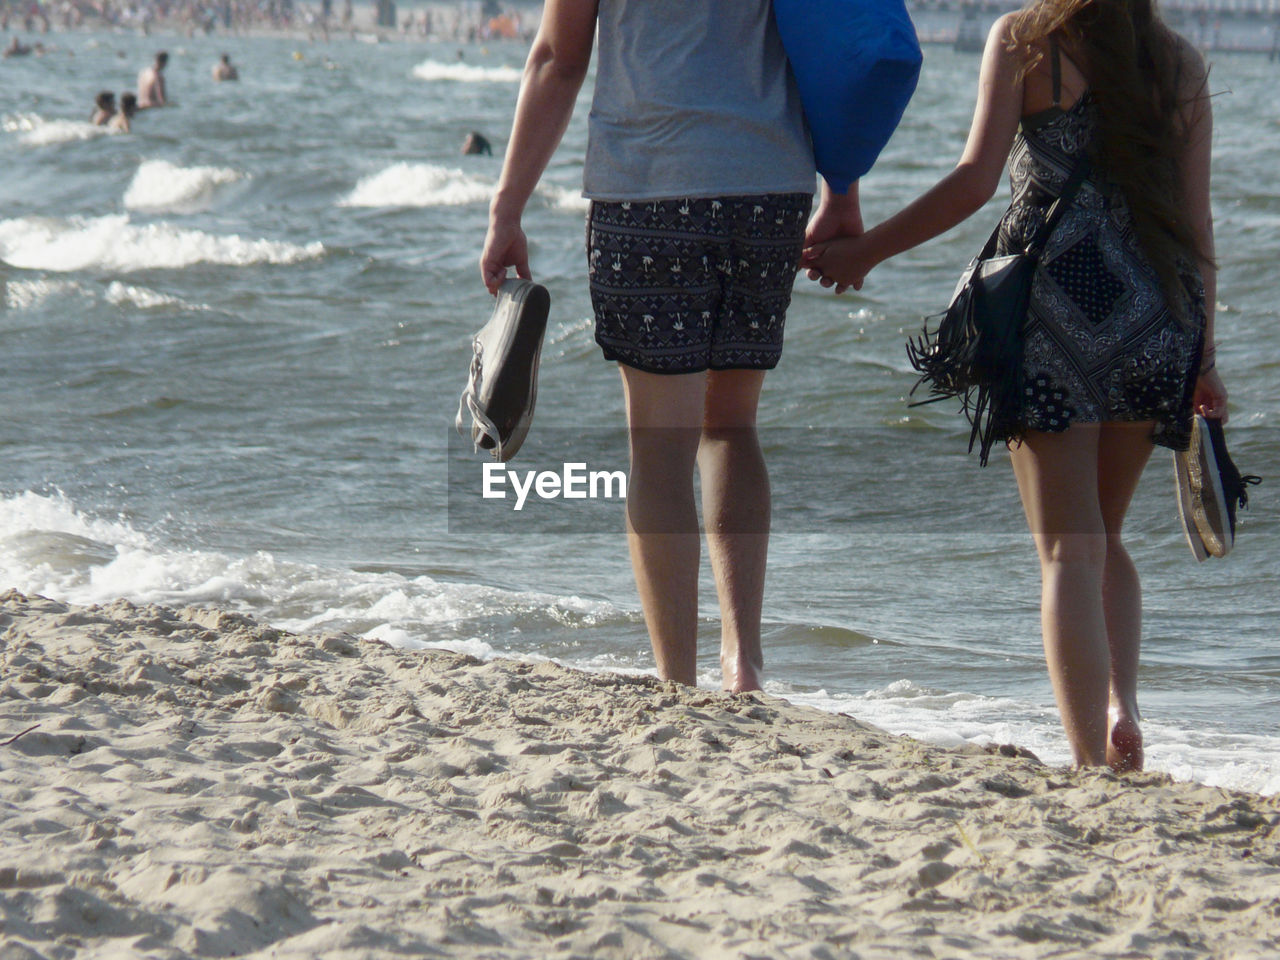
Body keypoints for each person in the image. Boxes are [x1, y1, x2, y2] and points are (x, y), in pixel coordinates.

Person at [803, 0, 1227, 770]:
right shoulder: (1178, 63)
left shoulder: (1028, 43)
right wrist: (1204, 357)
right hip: (1154, 318)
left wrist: (869, 252)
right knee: (1105, 535)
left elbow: (972, 183)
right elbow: (1197, 228)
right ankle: (1121, 705)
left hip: (1056, 314)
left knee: (1068, 549)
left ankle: (1088, 763)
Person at [480, 0, 862, 692]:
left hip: (648, 187)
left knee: (660, 445)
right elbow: (828, 45)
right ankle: (743, 661)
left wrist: (507, 206)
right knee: (732, 426)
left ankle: (677, 680)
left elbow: (557, 61)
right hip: (769, 187)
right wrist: (844, 185)